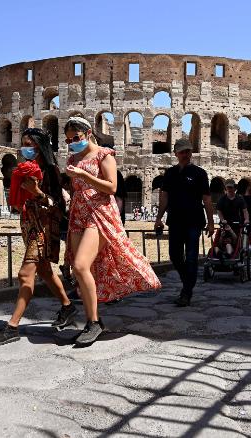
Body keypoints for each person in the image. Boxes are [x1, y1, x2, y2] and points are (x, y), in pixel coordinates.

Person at [63, 117, 161, 344]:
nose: (72, 143)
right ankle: (92, 320)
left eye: (75, 138)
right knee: (80, 271)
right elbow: (76, 186)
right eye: (68, 140)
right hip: (79, 213)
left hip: (99, 214)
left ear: (88, 133)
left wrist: (84, 176)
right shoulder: (73, 157)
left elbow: (112, 187)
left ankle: (94, 322)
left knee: (80, 265)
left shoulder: (104, 155)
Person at [0, 128, 76, 346]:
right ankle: (67, 306)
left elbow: (59, 207)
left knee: (25, 274)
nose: (25, 148)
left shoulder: (52, 171)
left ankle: (13, 327)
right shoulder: (26, 170)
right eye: (23, 143)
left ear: (40, 147)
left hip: (44, 226)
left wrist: (38, 193)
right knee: (44, 270)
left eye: (30, 144)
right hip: (28, 224)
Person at [155, 139, 215, 307]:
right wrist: (159, 218)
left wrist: (211, 222)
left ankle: (186, 292)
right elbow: (164, 196)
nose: (186, 154)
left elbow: (207, 199)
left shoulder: (199, 173)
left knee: (191, 258)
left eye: (188, 151)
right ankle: (187, 280)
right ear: (176, 154)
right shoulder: (170, 173)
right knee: (174, 255)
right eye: (182, 152)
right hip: (175, 220)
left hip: (194, 221)